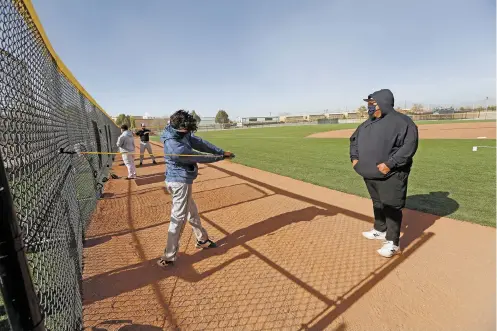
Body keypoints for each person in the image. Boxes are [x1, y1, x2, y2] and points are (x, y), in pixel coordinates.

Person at [157, 110, 234, 267]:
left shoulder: (178, 130)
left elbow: (198, 142)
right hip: (179, 182)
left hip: (178, 181)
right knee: (178, 218)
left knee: (192, 210)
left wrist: (219, 151)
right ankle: (169, 255)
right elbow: (198, 156)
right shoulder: (175, 147)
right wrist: (221, 157)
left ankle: (202, 239)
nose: (189, 132)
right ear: (178, 127)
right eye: (186, 130)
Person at [349, 89, 419, 258]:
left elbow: (409, 146)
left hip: (392, 174)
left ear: (384, 103)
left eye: (372, 104)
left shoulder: (403, 122)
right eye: (369, 105)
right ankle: (380, 229)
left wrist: (390, 164)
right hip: (369, 173)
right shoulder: (367, 123)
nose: (369, 108)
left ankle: (393, 242)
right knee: (377, 202)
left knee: (391, 205)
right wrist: (355, 159)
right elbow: (353, 140)